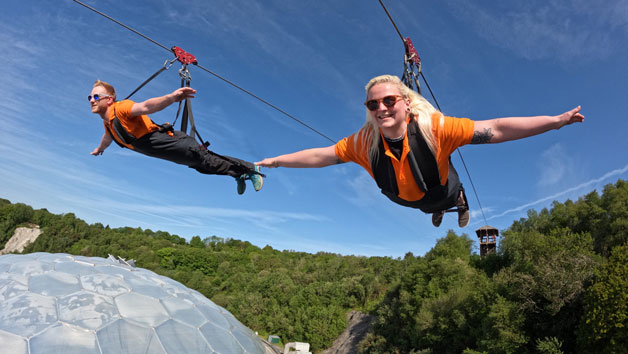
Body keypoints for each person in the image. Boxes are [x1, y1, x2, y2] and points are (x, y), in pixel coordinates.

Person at [256, 75, 584, 227]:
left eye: (389, 100)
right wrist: (277, 162)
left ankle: (458, 203)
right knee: (427, 208)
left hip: (442, 187)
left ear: (406, 102)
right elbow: (321, 156)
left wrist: (555, 121)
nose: (381, 108)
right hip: (409, 199)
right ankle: (437, 210)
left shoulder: (436, 128)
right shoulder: (363, 142)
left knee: (446, 194)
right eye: (373, 104)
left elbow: (496, 128)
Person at [89, 80, 263, 194]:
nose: (92, 100)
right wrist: (100, 149)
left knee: (203, 158)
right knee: (202, 166)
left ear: (110, 99)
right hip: (160, 149)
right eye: (90, 97)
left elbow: (146, 106)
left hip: (168, 141)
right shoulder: (108, 123)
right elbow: (107, 138)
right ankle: (238, 173)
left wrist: (171, 97)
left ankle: (251, 168)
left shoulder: (121, 108)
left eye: (96, 96)